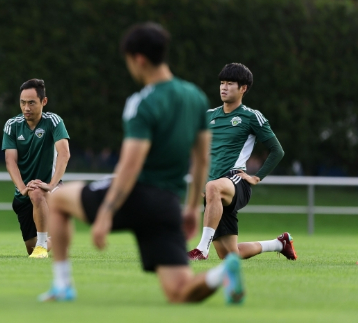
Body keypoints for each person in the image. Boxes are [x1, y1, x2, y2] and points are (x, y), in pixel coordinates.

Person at [39, 22, 244, 304]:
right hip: (167, 204)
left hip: (135, 196)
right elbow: (201, 160)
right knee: (179, 292)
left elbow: (130, 165)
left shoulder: (142, 102)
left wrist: (107, 212)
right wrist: (191, 208)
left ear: (139, 59)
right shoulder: (195, 97)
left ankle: (62, 286)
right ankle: (221, 273)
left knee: (59, 199)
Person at [187, 63, 295, 261]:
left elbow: (277, 150)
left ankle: (201, 249)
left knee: (213, 187)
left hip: (235, 181)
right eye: (222, 83)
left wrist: (257, 177)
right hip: (213, 189)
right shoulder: (209, 116)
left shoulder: (251, 116)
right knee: (229, 255)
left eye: (230, 83)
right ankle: (279, 243)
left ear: (243, 88)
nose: (224, 87)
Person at [2, 79, 71, 258]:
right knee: (30, 250)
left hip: (51, 189)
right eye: (23, 102)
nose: (26, 108)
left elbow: (64, 154)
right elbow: (10, 161)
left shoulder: (53, 121)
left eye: (31, 102)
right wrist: (22, 188)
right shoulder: (12, 125)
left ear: (44, 102)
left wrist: (51, 184)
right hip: (23, 193)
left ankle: (43, 243)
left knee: (38, 191)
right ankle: (57, 237)